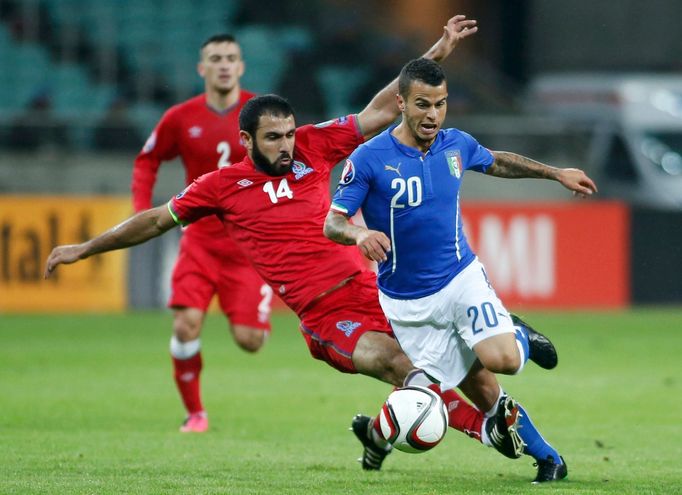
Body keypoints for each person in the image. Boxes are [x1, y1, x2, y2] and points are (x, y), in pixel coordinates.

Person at [44, 16, 556, 483]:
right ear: (247, 141)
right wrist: (85, 248)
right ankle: (489, 432)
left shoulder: (315, 145)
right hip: (324, 314)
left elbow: (382, 110)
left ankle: (407, 439)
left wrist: (438, 52)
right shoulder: (220, 186)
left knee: (477, 375)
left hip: (375, 291)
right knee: (406, 369)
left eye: (288, 134)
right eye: (273, 139)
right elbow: (156, 219)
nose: (286, 145)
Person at [324, 58, 599, 482]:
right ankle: (547, 459)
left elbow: (499, 162)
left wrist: (555, 174)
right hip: (407, 303)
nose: (433, 114)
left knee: (503, 360)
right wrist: (359, 235)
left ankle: (519, 337)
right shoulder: (369, 158)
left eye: (440, 103)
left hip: (460, 279)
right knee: (470, 390)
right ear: (400, 103)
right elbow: (334, 221)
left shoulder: (456, 144)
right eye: (422, 104)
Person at [130, 34, 271, 433]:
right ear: (202, 68)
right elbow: (148, 160)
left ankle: (254, 316)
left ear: (241, 67)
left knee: (250, 340)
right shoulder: (181, 117)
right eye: (215, 58)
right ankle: (196, 413)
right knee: (185, 325)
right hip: (200, 240)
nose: (224, 64)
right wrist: (143, 212)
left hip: (247, 245)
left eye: (230, 58)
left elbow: (290, 160)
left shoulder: (261, 113)